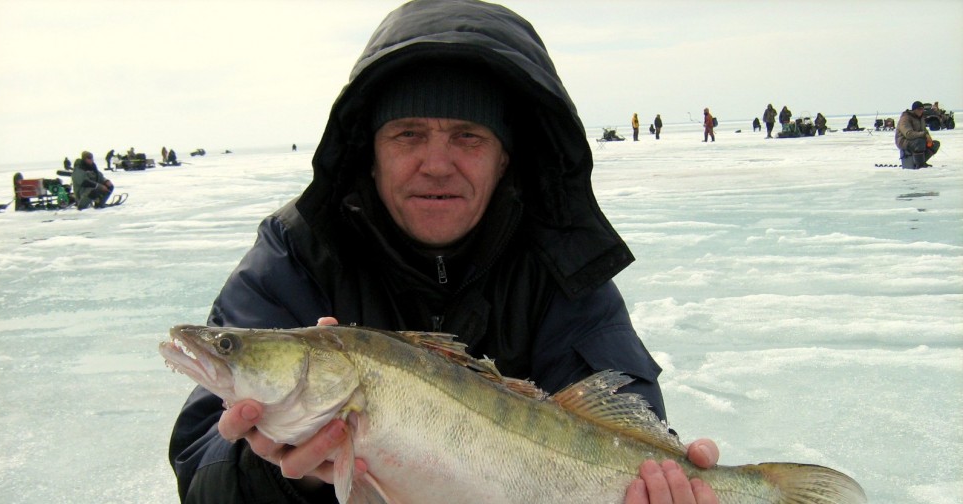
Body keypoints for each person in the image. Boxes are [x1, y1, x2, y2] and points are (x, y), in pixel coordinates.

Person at [167, 2, 720, 503]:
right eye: (407, 134)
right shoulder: (296, 255)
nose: (436, 163)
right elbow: (202, 477)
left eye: (468, 136)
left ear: (505, 158)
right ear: (372, 152)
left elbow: (626, 427)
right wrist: (283, 478)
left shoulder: (560, 259)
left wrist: (665, 491)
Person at [896, 100, 940, 169]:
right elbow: (908, 134)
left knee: (935, 144)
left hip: (917, 140)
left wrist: (929, 139)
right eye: (919, 109)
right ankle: (920, 165)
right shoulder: (905, 118)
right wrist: (924, 135)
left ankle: (921, 161)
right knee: (920, 142)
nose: (921, 111)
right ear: (914, 110)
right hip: (903, 141)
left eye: (922, 109)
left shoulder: (921, 118)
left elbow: (924, 131)